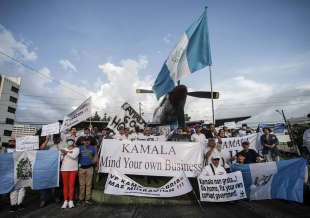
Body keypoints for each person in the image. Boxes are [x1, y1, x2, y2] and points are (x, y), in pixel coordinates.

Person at [6, 137, 26, 212]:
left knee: (22, 187)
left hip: (20, 170)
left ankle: (20, 203)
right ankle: (13, 205)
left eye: (13, 141)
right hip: (10, 171)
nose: (11, 142)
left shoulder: (20, 150)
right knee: (13, 188)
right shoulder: (5, 150)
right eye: (10, 141)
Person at [60, 138, 79, 209]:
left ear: (73, 142)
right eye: (68, 141)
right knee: (65, 186)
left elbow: (74, 156)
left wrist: (66, 153)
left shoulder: (76, 149)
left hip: (73, 169)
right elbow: (61, 159)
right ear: (67, 142)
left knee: (72, 185)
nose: (70, 142)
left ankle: (71, 200)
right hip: (64, 169)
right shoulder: (64, 149)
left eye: (71, 141)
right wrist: (63, 154)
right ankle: (65, 201)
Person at [78, 136, 98, 205]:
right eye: (85, 140)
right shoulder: (80, 148)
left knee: (89, 184)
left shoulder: (93, 148)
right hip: (81, 168)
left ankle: (88, 199)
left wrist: (94, 162)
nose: (87, 142)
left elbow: (96, 156)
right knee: (81, 185)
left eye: (88, 140)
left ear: (90, 141)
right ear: (83, 141)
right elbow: (76, 157)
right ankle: (81, 199)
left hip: (90, 168)